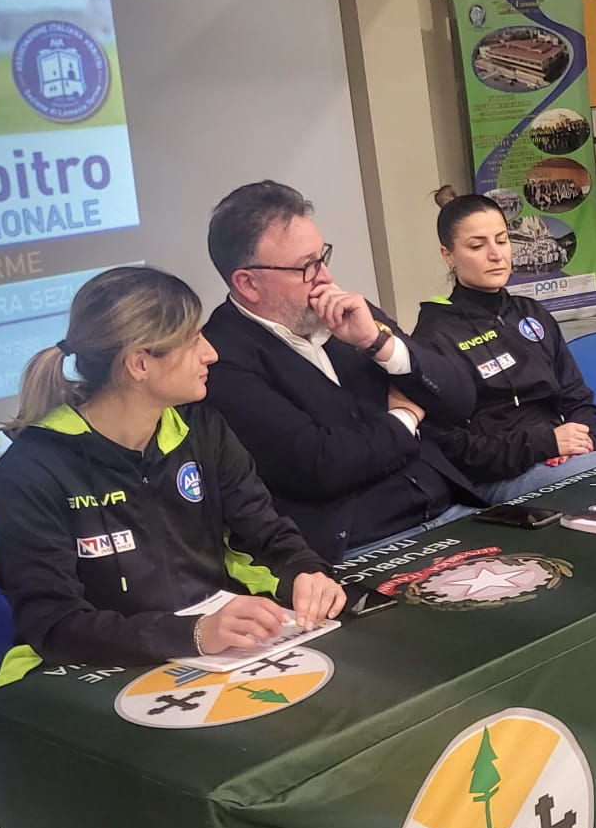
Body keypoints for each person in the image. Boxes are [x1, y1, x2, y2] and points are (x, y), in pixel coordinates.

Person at [0, 267, 344, 681]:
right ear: (140, 363)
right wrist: (191, 634)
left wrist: (305, 572)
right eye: (193, 340)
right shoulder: (33, 470)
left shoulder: (202, 430)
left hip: (203, 652)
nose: (211, 353)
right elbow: (52, 624)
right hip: (83, 670)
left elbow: (264, 535)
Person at [200, 181, 482, 562]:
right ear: (248, 283)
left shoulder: (348, 312)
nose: (325, 278)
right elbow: (321, 464)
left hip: (453, 509)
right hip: (360, 546)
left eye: (322, 258)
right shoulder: (222, 357)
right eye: (306, 267)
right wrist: (405, 417)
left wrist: (379, 344)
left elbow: (461, 400)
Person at [411, 193, 596, 502]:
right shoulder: (435, 336)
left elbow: (578, 397)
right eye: (477, 246)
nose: (496, 255)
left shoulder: (530, 312)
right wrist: (545, 444)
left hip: (563, 456)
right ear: (448, 255)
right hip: (500, 477)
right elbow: (453, 448)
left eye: (502, 240)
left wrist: (581, 439)